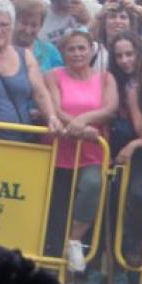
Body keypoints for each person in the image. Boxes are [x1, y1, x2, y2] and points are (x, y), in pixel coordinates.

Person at [45, 27, 113, 270]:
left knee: (93, 185)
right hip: (61, 147)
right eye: (70, 49)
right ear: (62, 52)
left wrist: (83, 121)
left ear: (91, 49)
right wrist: (72, 124)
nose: (76, 53)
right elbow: (53, 106)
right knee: (58, 206)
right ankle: (56, 268)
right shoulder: (53, 75)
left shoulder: (105, 77)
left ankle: (74, 241)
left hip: (92, 148)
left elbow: (110, 108)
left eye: (81, 48)